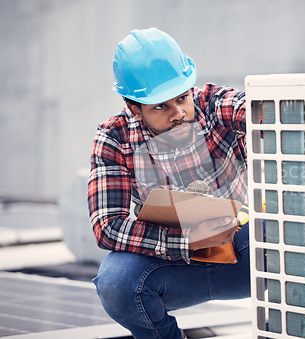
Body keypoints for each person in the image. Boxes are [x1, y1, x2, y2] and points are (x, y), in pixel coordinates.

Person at [88, 27, 249, 339]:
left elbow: (260, 109)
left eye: (182, 98)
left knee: (300, 238)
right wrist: (187, 243)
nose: (179, 114)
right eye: (161, 106)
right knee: (115, 283)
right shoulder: (114, 138)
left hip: (242, 256)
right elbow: (108, 226)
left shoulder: (214, 105)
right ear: (133, 107)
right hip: (173, 264)